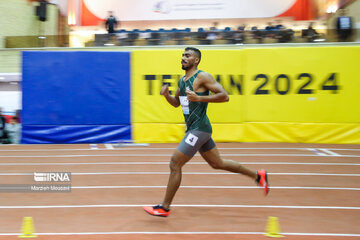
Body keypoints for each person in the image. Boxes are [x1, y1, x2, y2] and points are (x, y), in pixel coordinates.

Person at [143, 47, 269, 217]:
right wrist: (166, 95)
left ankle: (164, 207)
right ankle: (258, 176)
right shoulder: (182, 80)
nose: (183, 58)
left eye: (187, 55)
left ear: (196, 60)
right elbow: (176, 103)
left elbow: (224, 96)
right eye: (182, 55)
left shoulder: (202, 76)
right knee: (218, 163)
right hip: (196, 129)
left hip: (199, 129)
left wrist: (199, 97)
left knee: (175, 163)